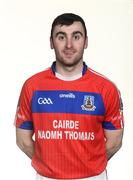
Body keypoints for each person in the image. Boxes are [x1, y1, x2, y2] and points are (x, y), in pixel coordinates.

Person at [15, 13, 124, 180]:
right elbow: (23, 140)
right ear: (51, 42)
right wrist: (51, 166)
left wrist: (86, 165)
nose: (69, 45)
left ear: (86, 41)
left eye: (76, 36)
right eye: (61, 37)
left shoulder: (106, 89)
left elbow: (114, 142)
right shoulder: (32, 86)